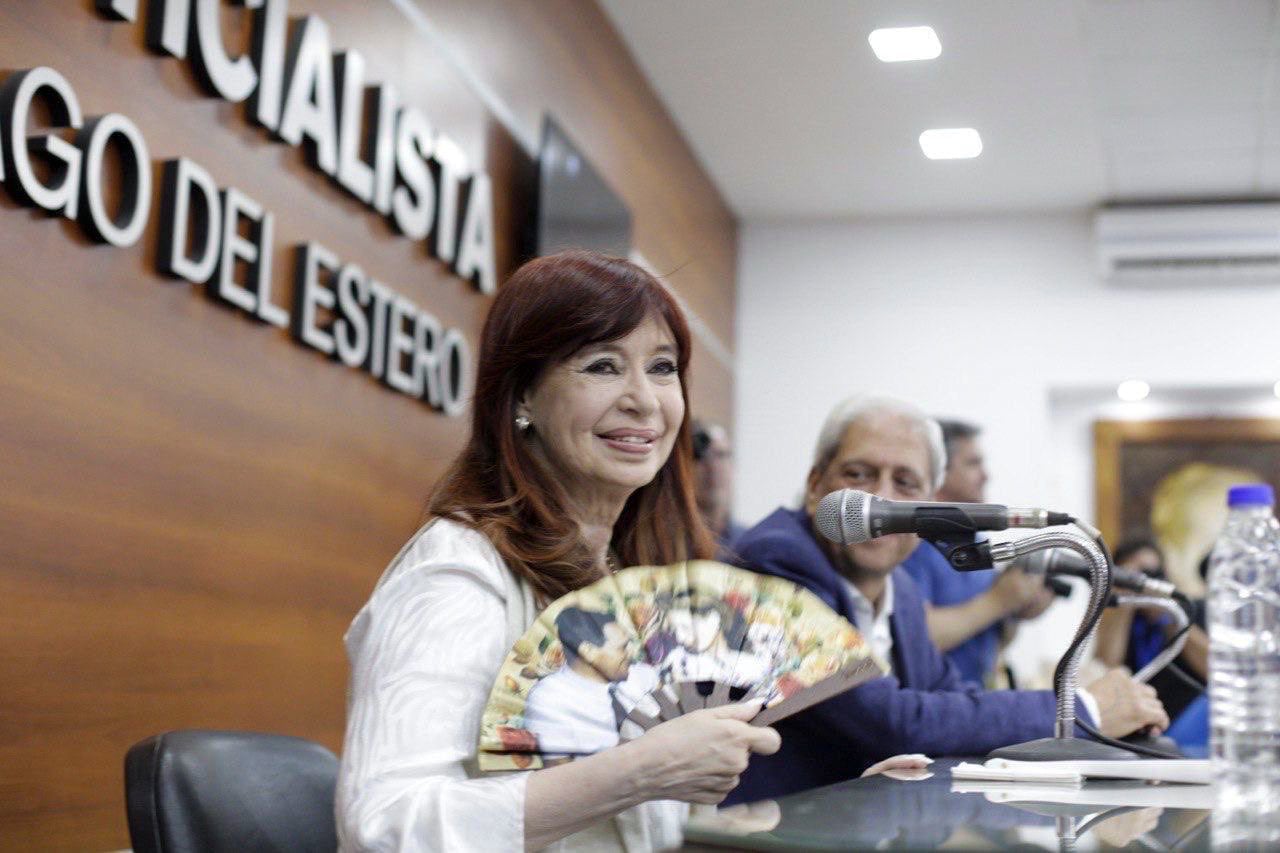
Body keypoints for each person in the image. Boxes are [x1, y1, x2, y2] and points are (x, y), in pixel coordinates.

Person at [336, 251, 781, 852]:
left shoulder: (629, 580)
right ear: (521, 397)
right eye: (602, 366)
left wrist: (838, 806)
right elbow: (385, 827)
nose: (644, 400)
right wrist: (643, 769)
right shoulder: (459, 574)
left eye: (662, 367)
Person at [726, 395, 1168, 802]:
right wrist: (1082, 710)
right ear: (815, 486)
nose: (880, 499)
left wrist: (1095, 729)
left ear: (930, 507)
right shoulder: (778, 560)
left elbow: (950, 696)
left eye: (906, 482)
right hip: (765, 835)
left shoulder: (901, 586)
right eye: (858, 474)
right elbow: (889, 720)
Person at [902, 419, 1054, 687]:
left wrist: (1017, 609)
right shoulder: (913, 542)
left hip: (977, 695)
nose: (986, 475)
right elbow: (917, 638)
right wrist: (998, 602)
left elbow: (992, 641)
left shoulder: (978, 541)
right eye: (973, 463)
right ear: (940, 472)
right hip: (933, 705)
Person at [1093, 537, 1208, 721]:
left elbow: (1212, 668)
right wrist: (1125, 604)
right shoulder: (1120, 619)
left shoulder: (1191, 609)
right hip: (1141, 716)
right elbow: (1106, 666)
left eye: (1150, 573)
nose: (1142, 582)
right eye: (1132, 576)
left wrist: (1171, 615)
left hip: (1189, 713)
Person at [522, 607, 660, 756]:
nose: (630, 653)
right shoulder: (549, 700)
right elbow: (556, 771)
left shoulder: (640, 674)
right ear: (588, 651)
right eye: (622, 647)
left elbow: (673, 709)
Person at [692, 419, 743, 547]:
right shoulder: (665, 542)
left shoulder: (748, 542)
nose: (712, 467)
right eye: (701, 457)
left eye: (720, 455)